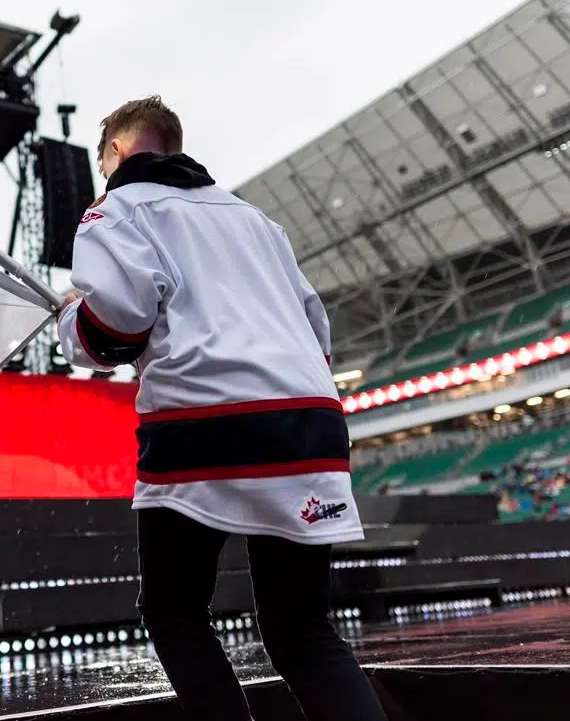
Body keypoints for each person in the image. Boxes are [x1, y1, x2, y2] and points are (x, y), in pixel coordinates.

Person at [55, 96, 387, 721]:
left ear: (120, 152)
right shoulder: (257, 220)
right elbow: (314, 324)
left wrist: (71, 315)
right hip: (308, 419)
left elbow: (115, 329)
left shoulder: (118, 207)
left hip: (203, 419)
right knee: (304, 631)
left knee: (175, 612)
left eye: (106, 162)